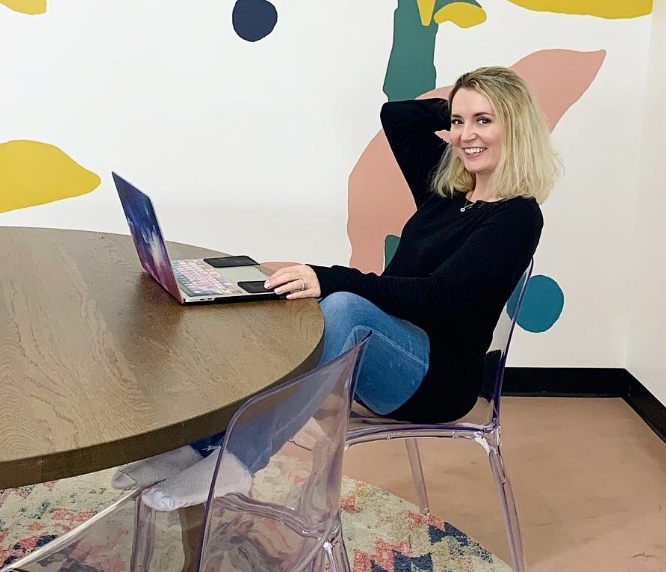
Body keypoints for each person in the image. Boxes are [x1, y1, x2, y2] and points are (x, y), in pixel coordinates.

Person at [112, 66, 560, 510]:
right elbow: (397, 116)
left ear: (515, 125)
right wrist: (461, 109)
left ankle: (238, 460)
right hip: (386, 349)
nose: (465, 135)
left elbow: (439, 296)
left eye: (484, 120)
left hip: (436, 380)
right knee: (293, 301)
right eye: (459, 122)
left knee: (343, 305)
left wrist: (328, 276)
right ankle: (201, 445)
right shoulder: (447, 191)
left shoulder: (517, 217)